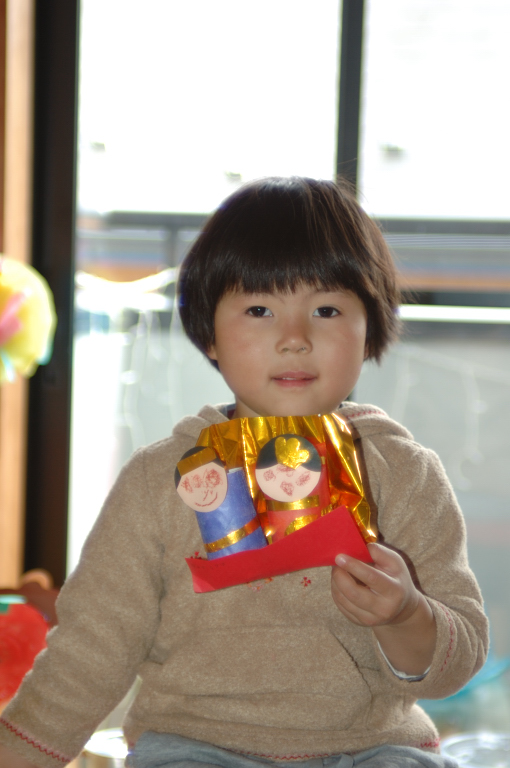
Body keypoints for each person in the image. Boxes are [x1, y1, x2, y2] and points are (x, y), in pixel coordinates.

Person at [0, 177, 488, 768]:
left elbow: (457, 659)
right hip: (195, 746)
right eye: (259, 309)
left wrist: (407, 613)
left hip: (373, 747)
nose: (294, 339)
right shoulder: (161, 480)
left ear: (371, 330)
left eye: (327, 309)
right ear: (209, 333)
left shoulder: (404, 473)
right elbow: (92, 645)